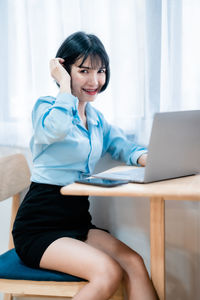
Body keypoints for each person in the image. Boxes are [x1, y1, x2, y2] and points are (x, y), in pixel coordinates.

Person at [12, 31, 158, 300]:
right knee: (108, 272)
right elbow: (55, 129)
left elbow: (124, 147)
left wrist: (153, 157)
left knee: (134, 263)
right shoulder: (46, 107)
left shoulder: (96, 118)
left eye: (101, 71)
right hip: (39, 227)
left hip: (76, 221)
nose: (95, 81)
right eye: (84, 71)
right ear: (66, 72)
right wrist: (64, 86)